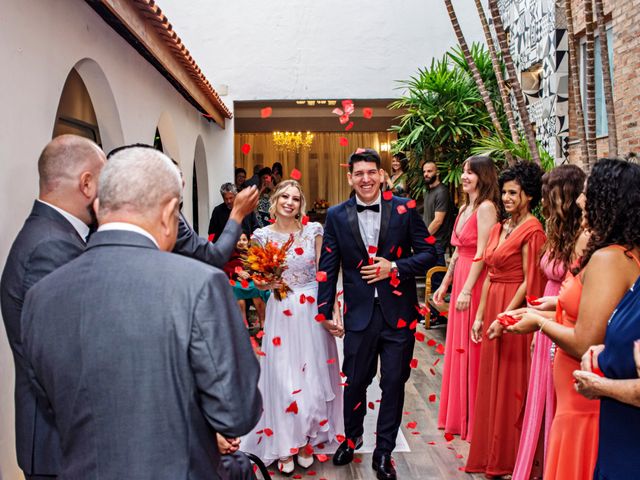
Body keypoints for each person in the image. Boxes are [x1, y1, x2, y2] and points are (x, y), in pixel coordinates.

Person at [20, 146, 262, 479]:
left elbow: (51, 401)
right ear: (169, 212)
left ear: (98, 205)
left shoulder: (41, 296)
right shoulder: (198, 285)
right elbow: (236, 411)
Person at [506, 159, 640, 479]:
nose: (580, 200)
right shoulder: (621, 251)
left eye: (587, 193)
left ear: (606, 200)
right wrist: (548, 307)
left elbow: (585, 342)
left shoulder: (609, 258)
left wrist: (538, 322)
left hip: (589, 399)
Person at [318, 148, 436, 480]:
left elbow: (430, 252)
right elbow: (328, 267)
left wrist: (395, 267)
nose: (366, 179)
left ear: (381, 175)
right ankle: (352, 437)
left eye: (372, 172)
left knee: (394, 383)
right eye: (359, 174)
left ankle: (384, 451)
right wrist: (324, 310)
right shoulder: (337, 216)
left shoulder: (404, 209)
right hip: (358, 315)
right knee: (355, 382)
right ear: (350, 178)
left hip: (398, 314)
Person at [0, 134, 106, 479]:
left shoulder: (53, 234)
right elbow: (61, 362)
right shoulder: (51, 246)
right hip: (59, 445)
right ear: (87, 184)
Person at [241, 180, 343, 474]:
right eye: (284, 196)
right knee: (283, 379)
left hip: (312, 310)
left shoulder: (313, 232)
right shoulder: (261, 236)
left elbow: (325, 274)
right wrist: (266, 282)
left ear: (302, 204)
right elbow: (258, 279)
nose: (290, 202)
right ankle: (284, 443)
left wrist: (334, 311)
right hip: (282, 309)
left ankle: (307, 438)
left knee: (313, 379)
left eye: (296, 198)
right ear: (274, 200)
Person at [465, 161, 547, 477]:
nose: (507, 198)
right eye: (505, 192)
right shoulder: (500, 227)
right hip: (495, 301)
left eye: (513, 193)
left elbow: (530, 281)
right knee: (491, 384)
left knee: (512, 386)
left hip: (514, 309)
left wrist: (506, 316)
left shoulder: (533, 229)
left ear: (528, 196)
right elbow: (489, 273)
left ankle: (512, 457)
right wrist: (481, 316)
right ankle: (490, 453)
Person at [511, 164, 586, 480]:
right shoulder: (555, 230)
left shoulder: (583, 237)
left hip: (565, 316)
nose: (544, 202)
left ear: (565, 197)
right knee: (541, 394)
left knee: (559, 400)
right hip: (547, 313)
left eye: (550, 196)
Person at [106, 143, 259, 268]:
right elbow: (213, 256)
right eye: (176, 175)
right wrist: (238, 212)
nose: (183, 181)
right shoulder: (163, 215)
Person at [433, 156, 499, 441]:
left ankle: (474, 417)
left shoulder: (486, 208)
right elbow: (458, 251)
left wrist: (467, 289)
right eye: (463, 171)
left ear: (483, 176)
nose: (464, 176)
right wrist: (446, 283)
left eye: (470, 172)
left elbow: (483, 254)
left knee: (472, 347)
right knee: (457, 345)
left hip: (476, 279)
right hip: (460, 274)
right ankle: (458, 415)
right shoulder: (463, 207)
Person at [422, 159, 456, 326]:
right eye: (425, 172)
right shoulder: (428, 191)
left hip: (438, 243)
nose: (426, 174)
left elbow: (438, 221)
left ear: (437, 172)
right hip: (430, 242)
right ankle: (433, 314)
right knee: (433, 278)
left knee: (436, 278)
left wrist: (422, 238)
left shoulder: (441, 192)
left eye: (430, 171)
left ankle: (437, 316)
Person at [222, 231, 269, 329]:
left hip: (251, 280)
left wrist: (250, 274)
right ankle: (243, 324)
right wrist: (237, 272)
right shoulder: (229, 252)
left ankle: (263, 322)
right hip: (235, 281)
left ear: (248, 241)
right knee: (236, 290)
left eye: (244, 239)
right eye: (238, 240)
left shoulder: (252, 252)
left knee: (257, 289)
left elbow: (259, 267)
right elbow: (224, 267)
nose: (241, 242)